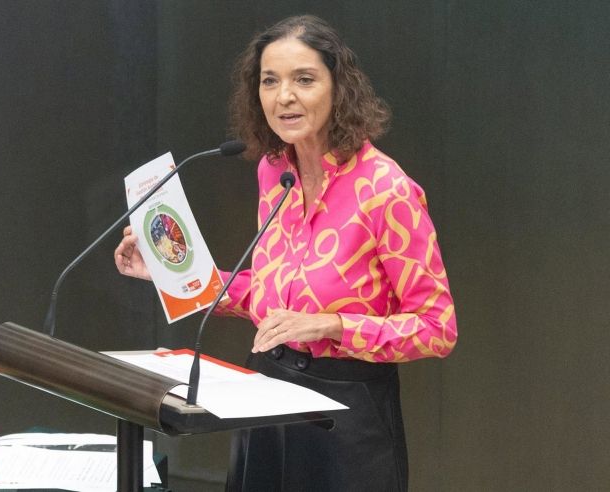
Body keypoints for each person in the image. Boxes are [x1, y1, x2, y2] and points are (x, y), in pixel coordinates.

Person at [115, 15, 457, 492]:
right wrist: (168, 272)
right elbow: (267, 295)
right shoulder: (275, 170)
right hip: (265, 396)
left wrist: (331, 325)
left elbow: (437, 329)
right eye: (270, 81)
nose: (284, 97)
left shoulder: (386, 189)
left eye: (304, 79)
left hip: (345, 416)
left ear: (339, 88)